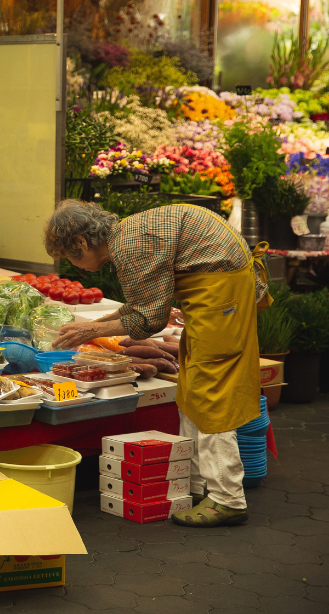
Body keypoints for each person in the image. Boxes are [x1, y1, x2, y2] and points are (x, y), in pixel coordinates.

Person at [43, 199, 266, 528]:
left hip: (221, 293)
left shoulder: (129, 245)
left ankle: (228, 498)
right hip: (220, 288)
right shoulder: (127, 234)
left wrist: (93, 329)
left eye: (72, 257)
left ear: (81, 242)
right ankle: (196, 484)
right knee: (191, 385)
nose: (77, 266)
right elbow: (144, 304)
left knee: (210, 391)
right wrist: (97, 323)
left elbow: (150, 319)